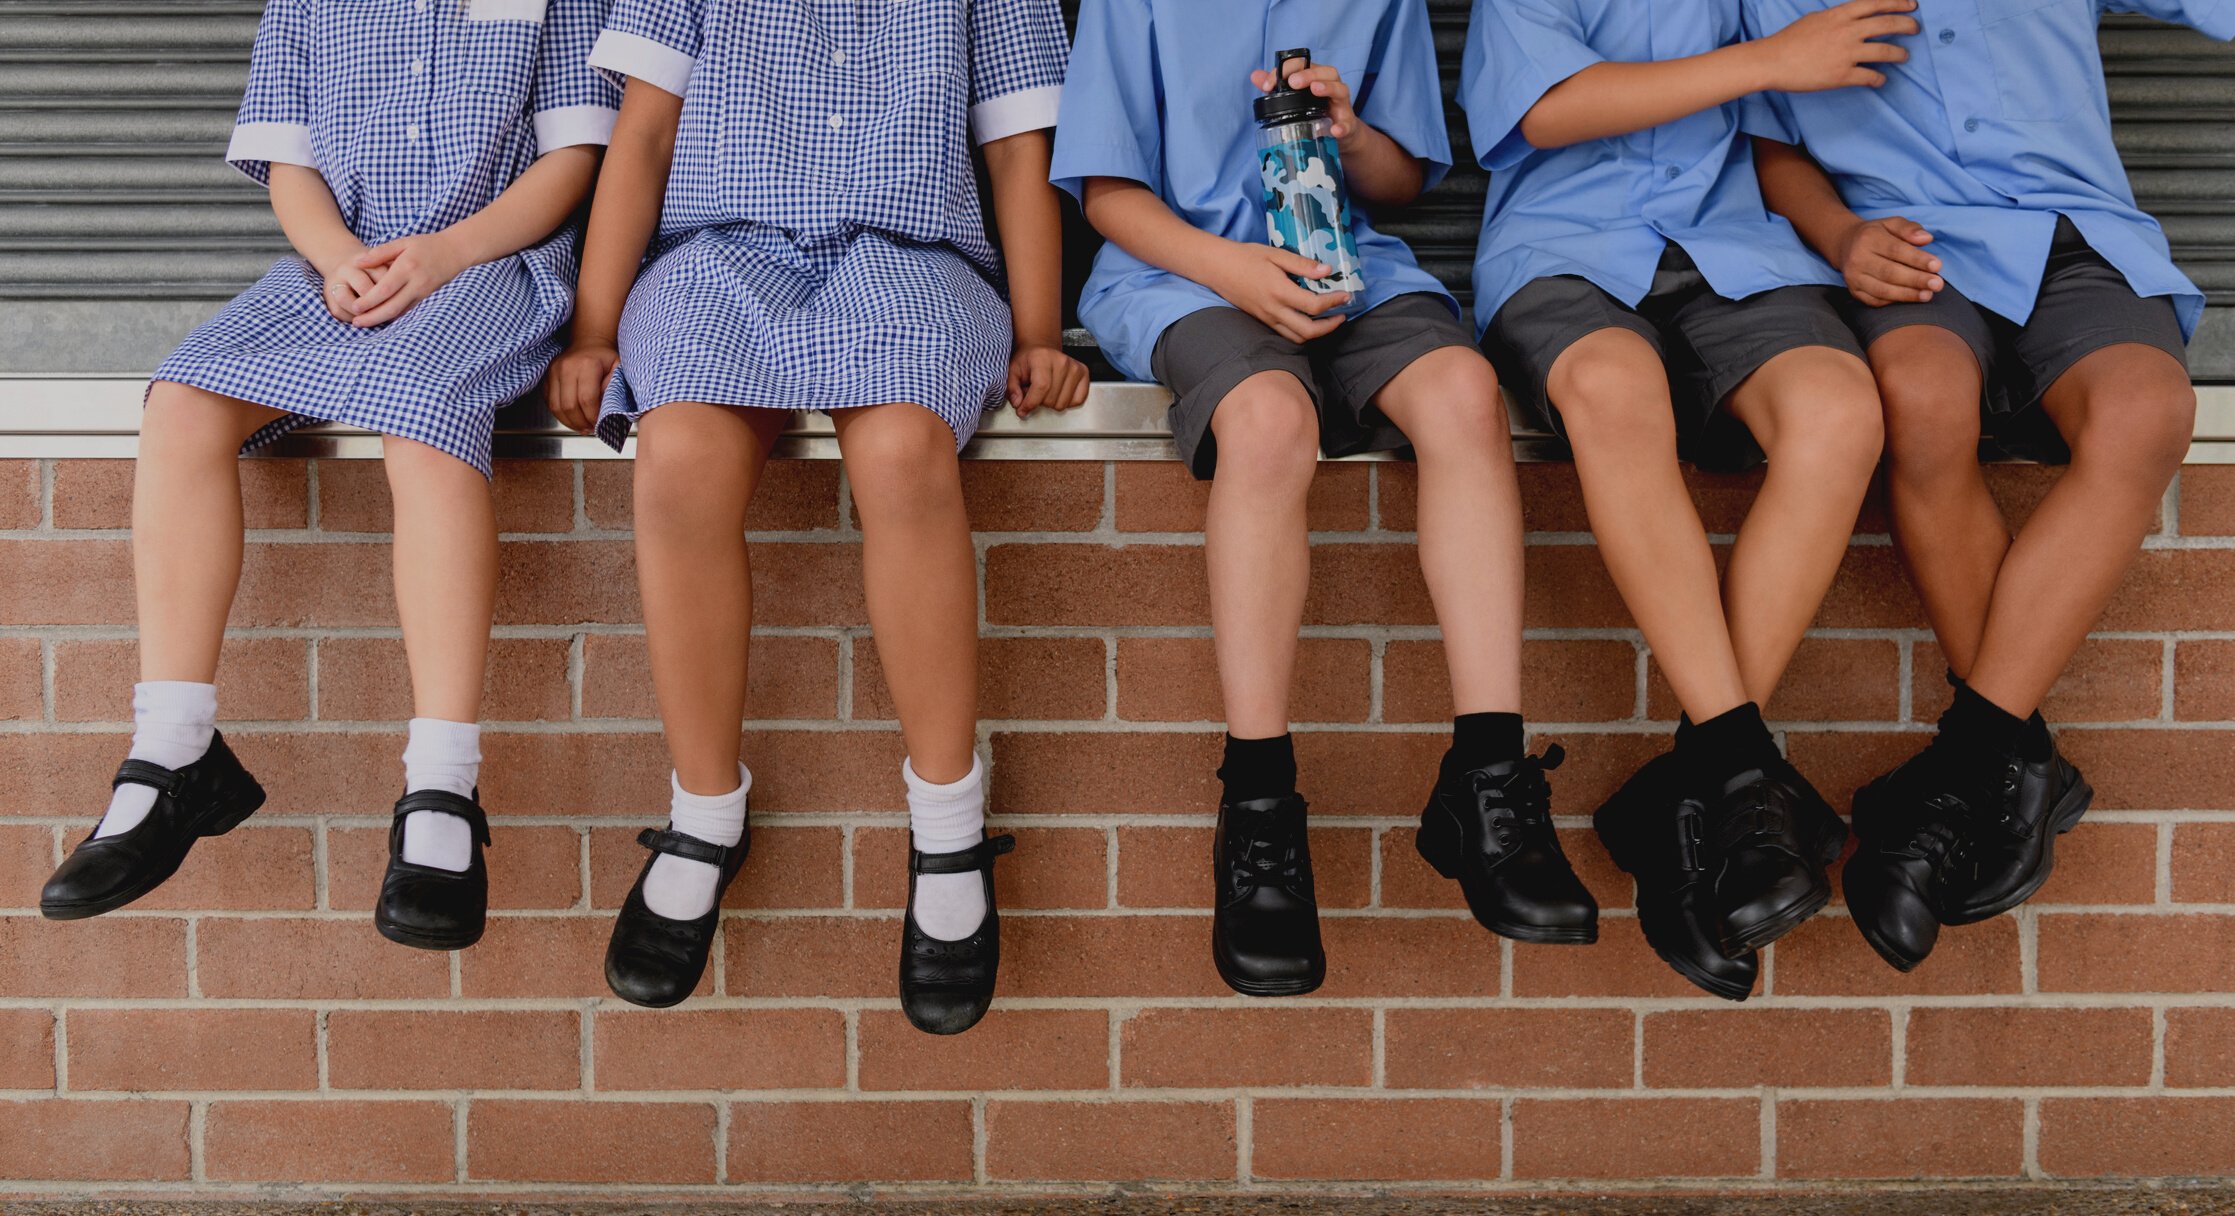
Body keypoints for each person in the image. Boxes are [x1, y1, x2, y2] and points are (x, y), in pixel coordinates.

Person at [547, 0, 1086, 1032]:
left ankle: (948, 824)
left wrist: (1038, 330)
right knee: (679, 457)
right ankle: (705, 811)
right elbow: (645, 133)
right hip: (721, 259)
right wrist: (595, 328)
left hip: (911, 264)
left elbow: (1019, 150)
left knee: (902, 452)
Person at [38, 0, 616, 954]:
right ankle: (174, 747)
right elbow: (291, 159)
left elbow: (571, 160)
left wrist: (444, 253)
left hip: (487, 265)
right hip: (335, 267)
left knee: (421, 416)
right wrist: (340, 256)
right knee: (181, 401)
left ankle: (442, 781)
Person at [1054, 0, 1599, 1001]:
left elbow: (1400, 179)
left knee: (1464, 393)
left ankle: (1487, 779)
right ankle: (1258, 805)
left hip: (1346, 269)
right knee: (1267, 424)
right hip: (1184, 273)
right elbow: (1105, 195)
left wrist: (1351, 130)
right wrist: (1231, 268)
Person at [1746, 0, 2223, 970]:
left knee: (2148, 408)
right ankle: (2009, 766)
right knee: (1922, 400)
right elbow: (1761, 138)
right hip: (1906, 249)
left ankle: (1980, 761)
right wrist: (1840, 236)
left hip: (2072, 237)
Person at [1463, 0, 1911, 998]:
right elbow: (1548, 109)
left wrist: (1840, 234)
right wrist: (1767, 59)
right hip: (1567, 251)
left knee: (1840, 411)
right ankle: (1741, 772)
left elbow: (1786, 122)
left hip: (1734, 249)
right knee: (1615, 393)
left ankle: (1690, 797)